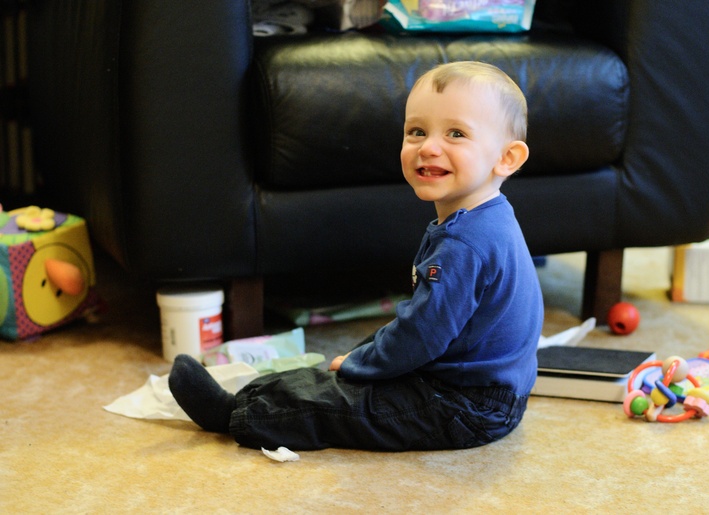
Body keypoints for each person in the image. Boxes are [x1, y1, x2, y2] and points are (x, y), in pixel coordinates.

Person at [169, 61, 544, 452]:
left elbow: (423, 334)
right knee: (331, 376)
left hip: (464, 406)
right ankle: (249, 396)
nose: (428, 147)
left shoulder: (464, 243)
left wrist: (360, 364)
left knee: (337, 404)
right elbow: (421, 322)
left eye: (456, 133)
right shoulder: (488, 217)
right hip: (479, 390)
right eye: (417, 131)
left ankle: (233, 415)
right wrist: (365, 357)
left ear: (507, 158)